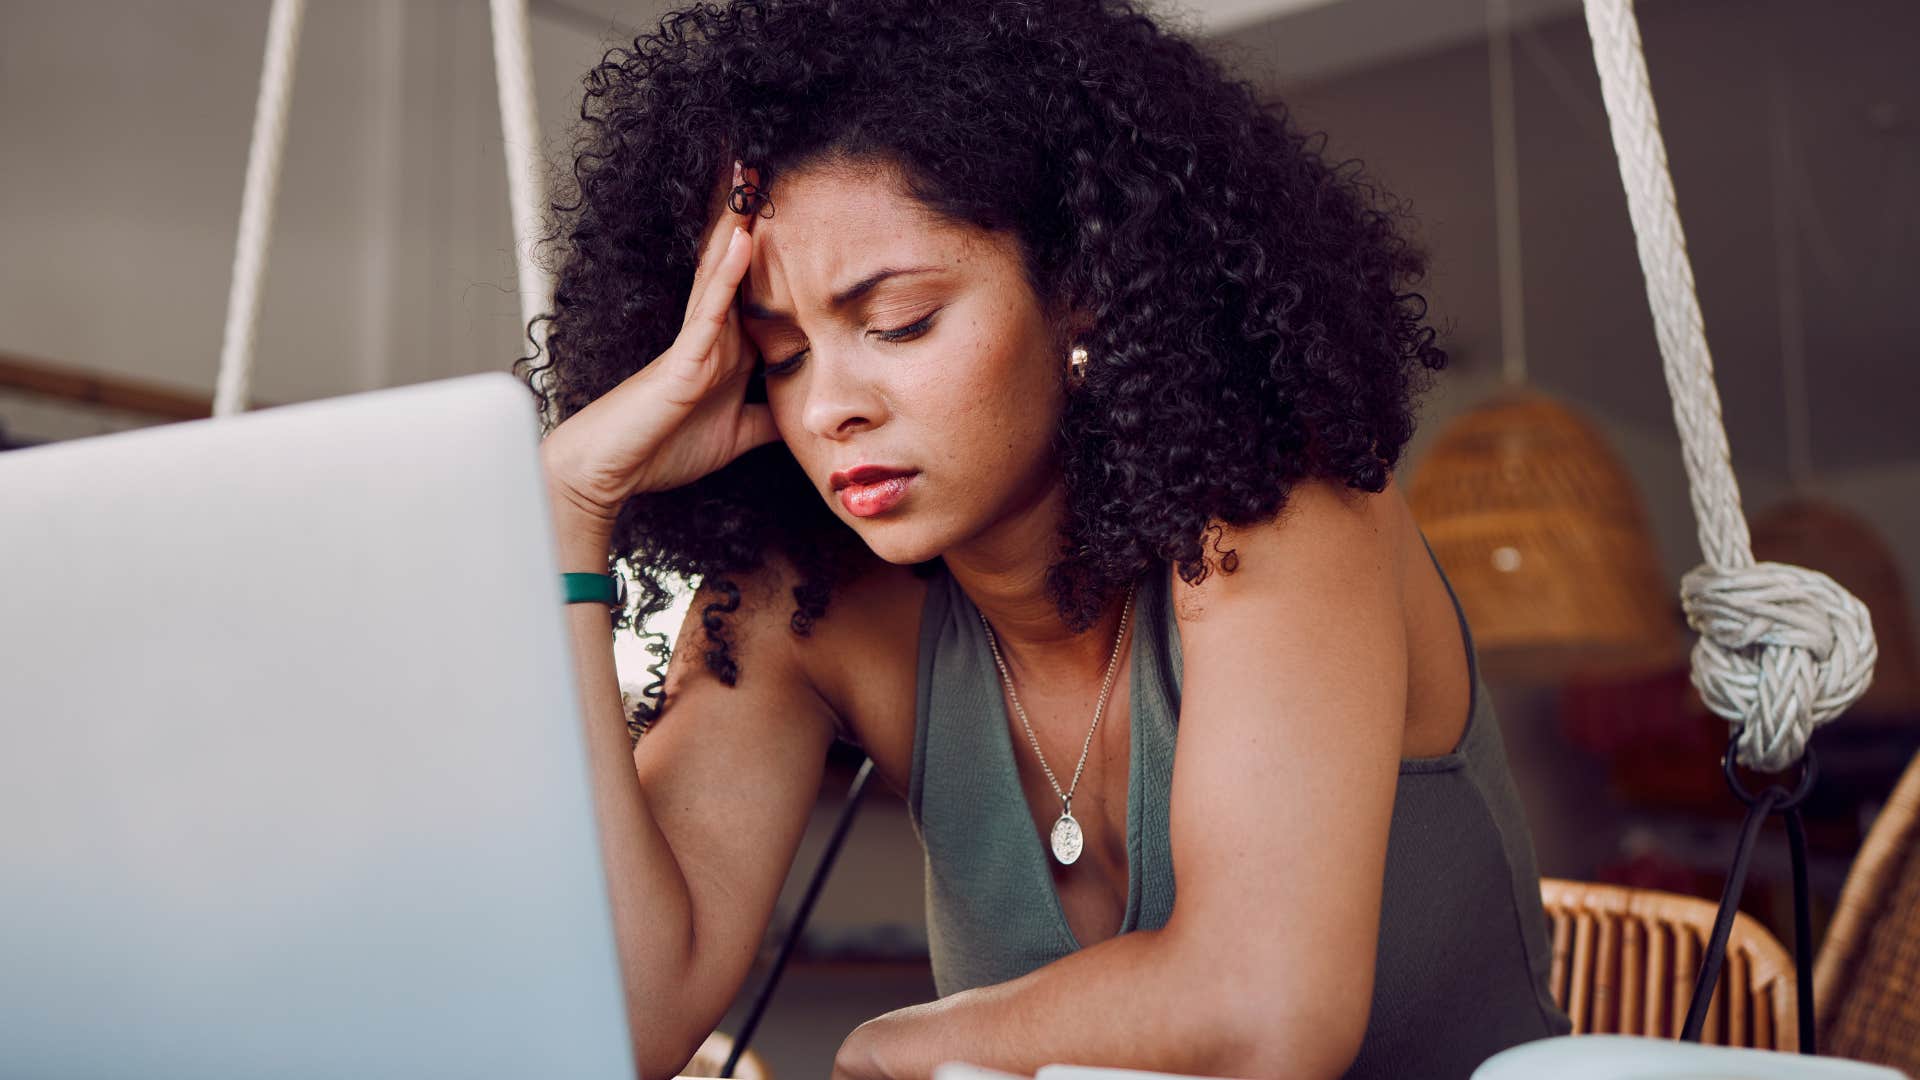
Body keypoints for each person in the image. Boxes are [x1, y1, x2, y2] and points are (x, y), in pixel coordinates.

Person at [525, 1, 1571, 1076]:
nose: (830, 406)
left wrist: (894, 1047)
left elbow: (1261, 1010)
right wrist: (568, 507)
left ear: (1081, 289)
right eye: (782, 356)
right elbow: (618, 1023)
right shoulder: (806, 608)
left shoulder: (1274, 497)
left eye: (898, 324)